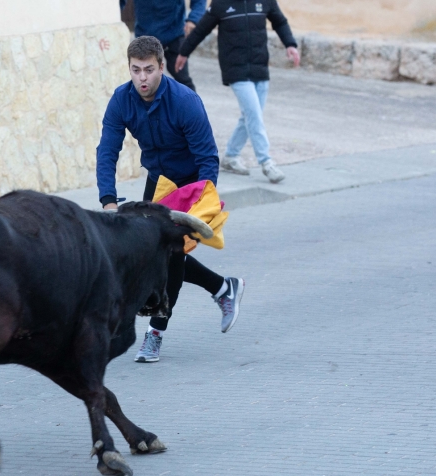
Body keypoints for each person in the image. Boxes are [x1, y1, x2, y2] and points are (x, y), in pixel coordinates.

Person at [96, 36, 245, 363]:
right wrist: (108, 200)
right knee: (151, 254)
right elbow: (107, 150)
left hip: (192, 185)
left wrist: (203, 204)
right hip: (159, 182)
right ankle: (223, 288)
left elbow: (207, 157)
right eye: (136, 70)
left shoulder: (185, 102)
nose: (142, 78)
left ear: (162, 67)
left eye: (149, 70)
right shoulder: (122, 100)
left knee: (170, 259)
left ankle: (155, 334)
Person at [175, 0, 300, 183]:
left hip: (260, 68)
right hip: (235, 70)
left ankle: (231, 156)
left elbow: (279, 21)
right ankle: (266, 162)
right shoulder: (220, 4)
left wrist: (291, 44)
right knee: (254, 114)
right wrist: (183, 52)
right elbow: (201, 29)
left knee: (250, 116)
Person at [120, 0, 207, 91]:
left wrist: (193, 19)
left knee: (183, 81)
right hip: (145, 36)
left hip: (174, 34)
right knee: (142, 80)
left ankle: (192, 104)